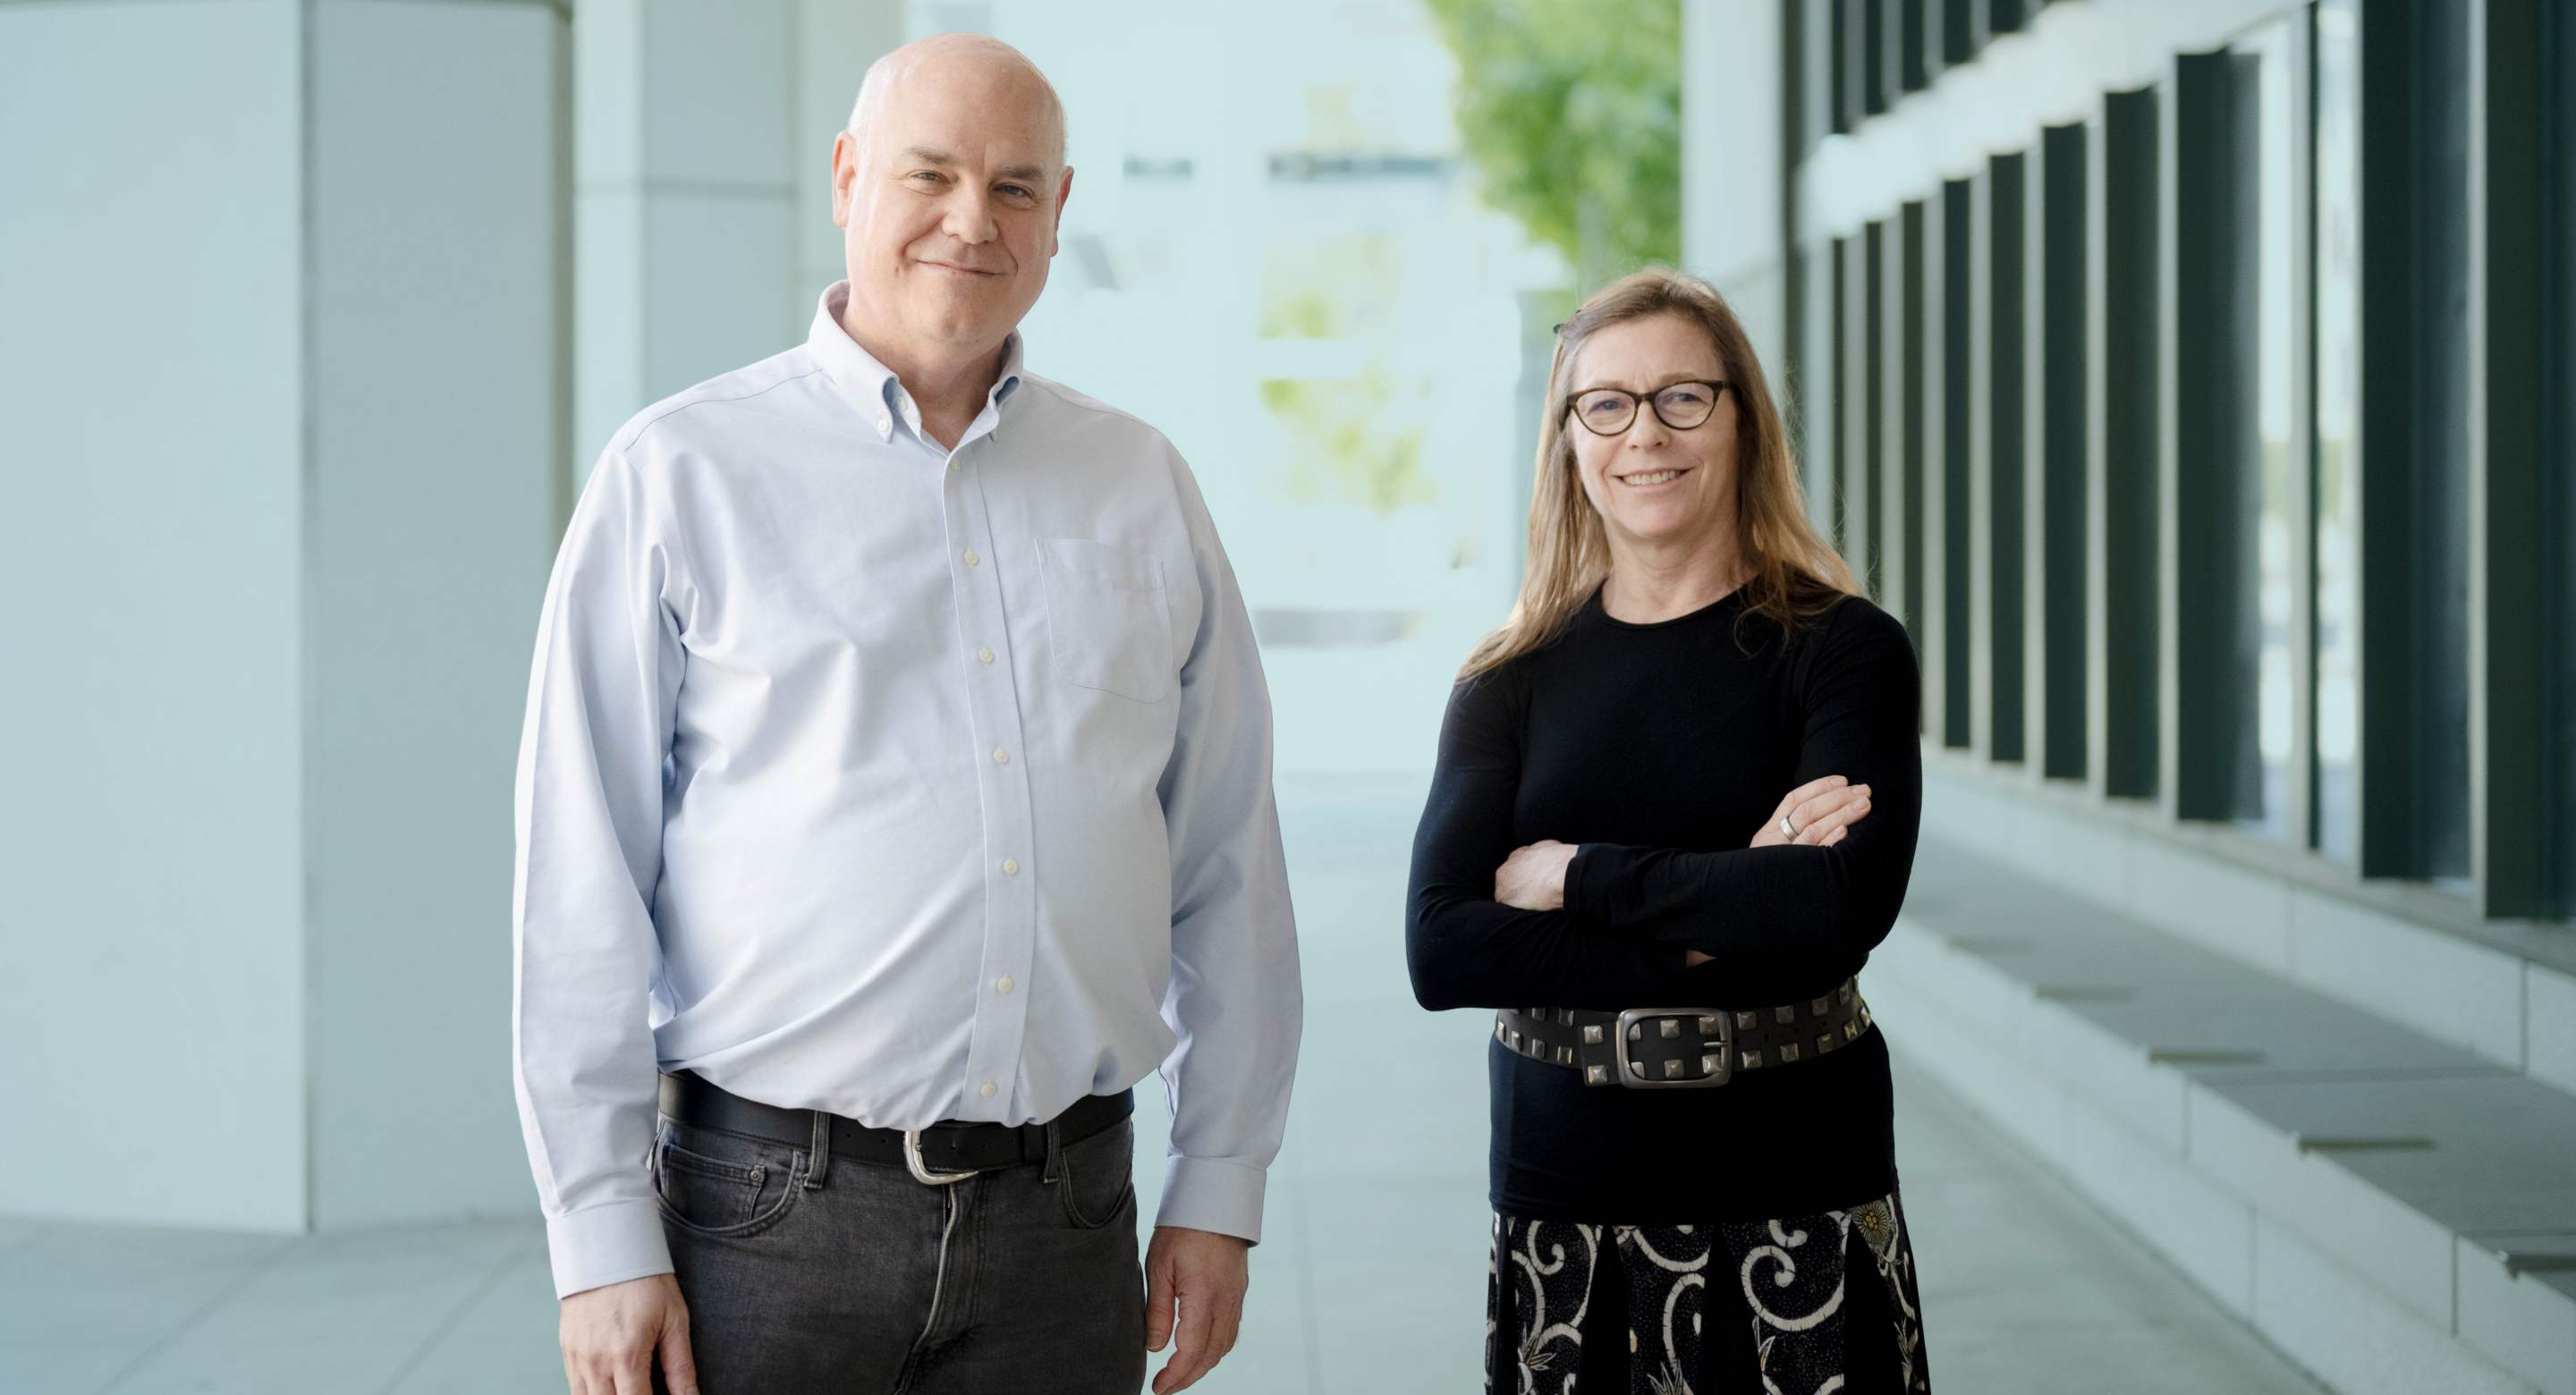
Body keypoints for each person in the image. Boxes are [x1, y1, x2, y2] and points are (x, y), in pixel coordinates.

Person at [511, 33, 1301, 1395]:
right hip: (764, 1228)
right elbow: (581, 882)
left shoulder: (1141, 484)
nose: (969, 220)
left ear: (1059, 212)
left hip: (1068, 1224)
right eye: (930, 175)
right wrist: (598, 1238)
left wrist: (1219, 1179)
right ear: (847, 177)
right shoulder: (681, 473)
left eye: (1014, 186)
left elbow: (1227, 861)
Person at [1407, 267, 1929, 1393]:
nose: (1644, 434)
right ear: (1568, 439)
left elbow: (1837, 911)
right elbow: (1444, 949)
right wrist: (1729, 898)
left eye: (1683, 397)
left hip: (1797, 1187)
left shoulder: (1843, 651)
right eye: (1607, 404)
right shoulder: (1508, 681)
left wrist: (1575, 875)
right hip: (1569, 1205)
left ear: (1743, 418)